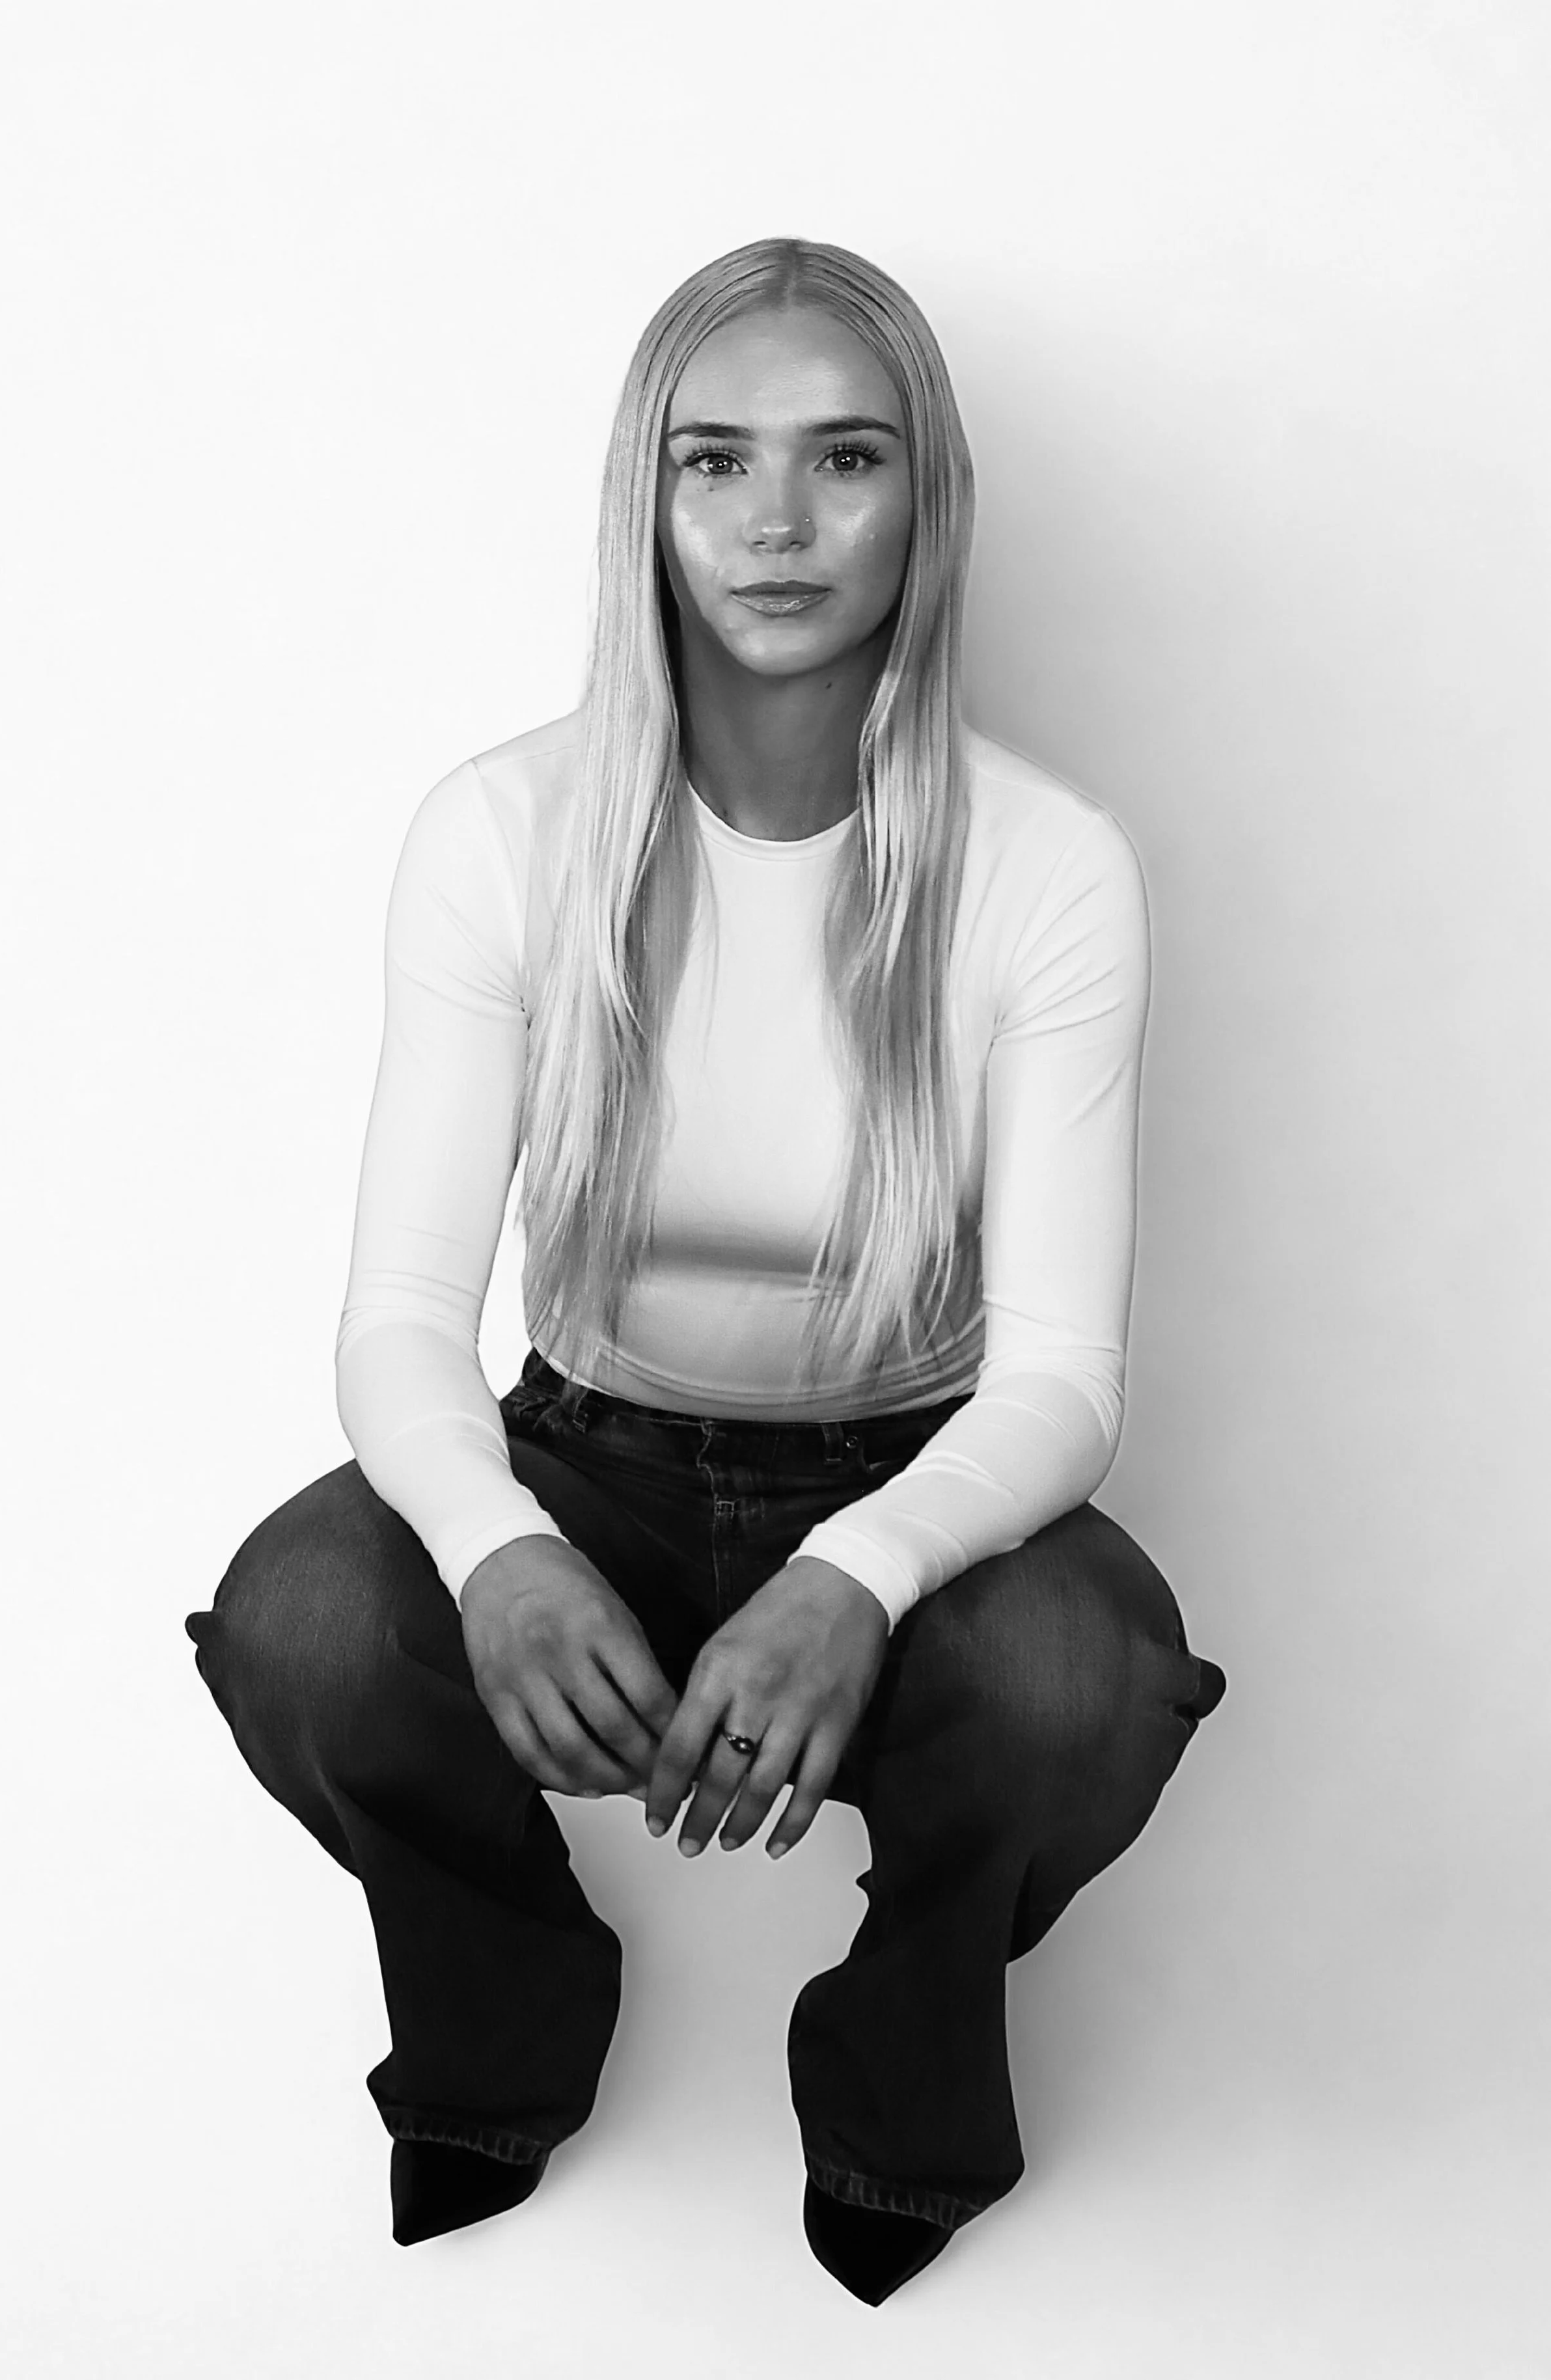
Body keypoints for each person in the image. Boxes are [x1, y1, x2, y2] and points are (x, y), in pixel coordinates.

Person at [184, 234, 1227, 2308]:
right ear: (642, 500)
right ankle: (501, 2017)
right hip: (590, 1451)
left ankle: (905, 2076)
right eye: (712, 459)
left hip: (910, 1463)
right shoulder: (503, 831)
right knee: (304, 1623)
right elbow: (399, 1321)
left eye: (844, 458)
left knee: (1081, 1686)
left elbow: (1058, 1380)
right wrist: (497, 1549)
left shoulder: (1044, 867)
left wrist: (861, 1573)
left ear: (922, 501)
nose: (774, 522)